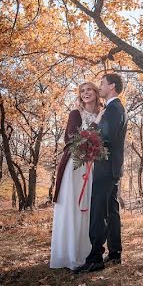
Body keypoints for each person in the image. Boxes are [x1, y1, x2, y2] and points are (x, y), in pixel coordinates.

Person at [74, 73, 127, 274]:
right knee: (112, 211)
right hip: (112, 167)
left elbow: (103, 138)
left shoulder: (113, 109)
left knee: (98, 212)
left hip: (105, 167)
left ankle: (95, 258)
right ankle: (114, 253)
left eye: (102, 84)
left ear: (111, 86)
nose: (100, 87)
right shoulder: (115, 108)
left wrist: (90, 133)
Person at [49, 82, 102, 270]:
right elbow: (71, 139)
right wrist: (94, 126)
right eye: (82, 91)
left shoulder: (102, 113)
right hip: (74, 165)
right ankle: (68, 255)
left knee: (88, 207)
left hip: (93, 165)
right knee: (72, 206)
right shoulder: (75, 114)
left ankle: (87, 252)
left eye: (89, 90)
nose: (86, 93)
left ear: (96, 93)